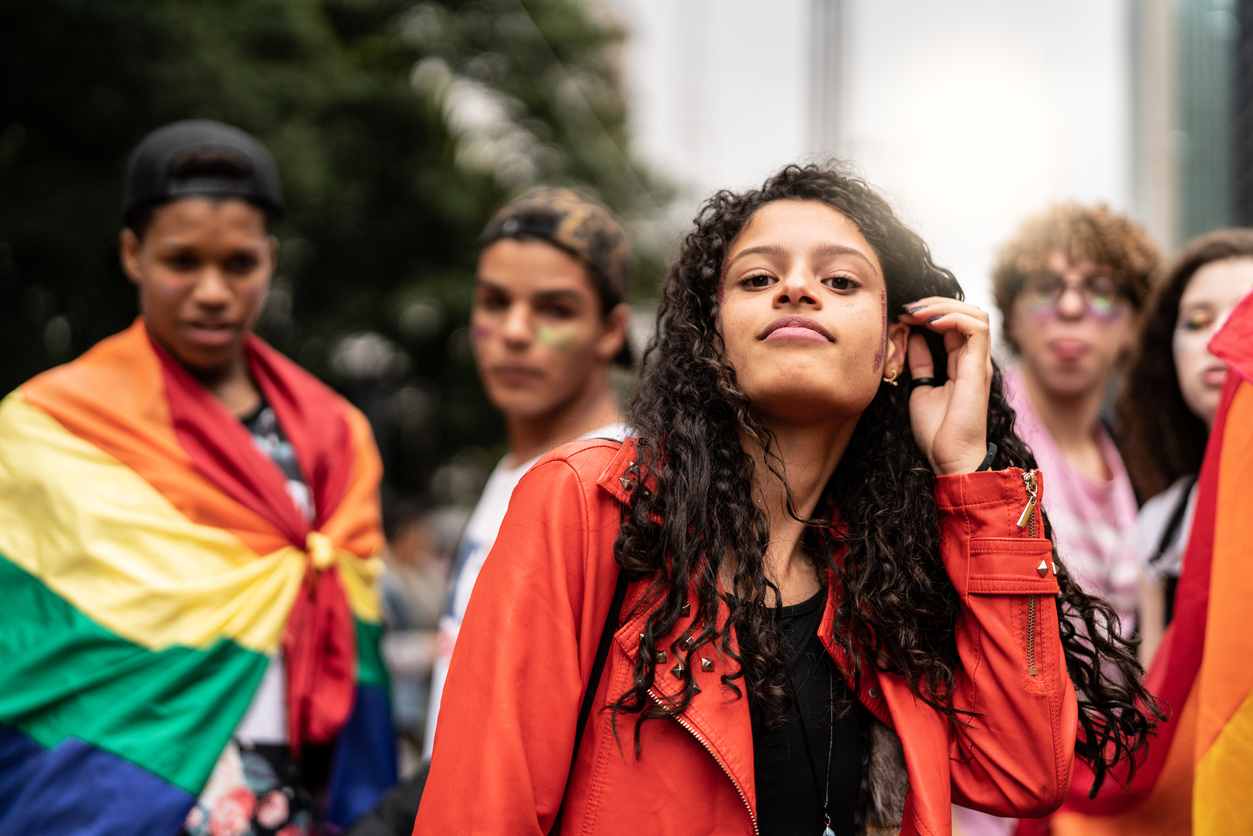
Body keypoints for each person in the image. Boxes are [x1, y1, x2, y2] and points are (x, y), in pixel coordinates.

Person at [413, 165, 1160, 836]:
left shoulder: (889, 575)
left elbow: (1022, 770)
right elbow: (479, 812)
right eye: (755, 279)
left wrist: (968, 473)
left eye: (839, 282)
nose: (795, 290)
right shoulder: (584, 502)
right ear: (713, 335)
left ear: (896, 348)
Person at [0, 120, 395, 835]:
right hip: (105, 801)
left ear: (271, 260)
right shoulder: (47, 427)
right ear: (132, 254)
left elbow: (355, 642)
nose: (211, 292)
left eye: (239, 264)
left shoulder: (337, 437)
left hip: (287, 808)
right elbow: (29, 637)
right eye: (181, 261)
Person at [1024, 229, 1253, 836]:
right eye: (1197, 320)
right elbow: (1156, 712)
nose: (1221, 340)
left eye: (1245, 316)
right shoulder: (1161, 520)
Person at [422, 187, 635, 758]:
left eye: (554, 309)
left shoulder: (616, 486)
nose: (515, 331)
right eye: (494, 302)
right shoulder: (507, 473)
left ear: (611, 330)